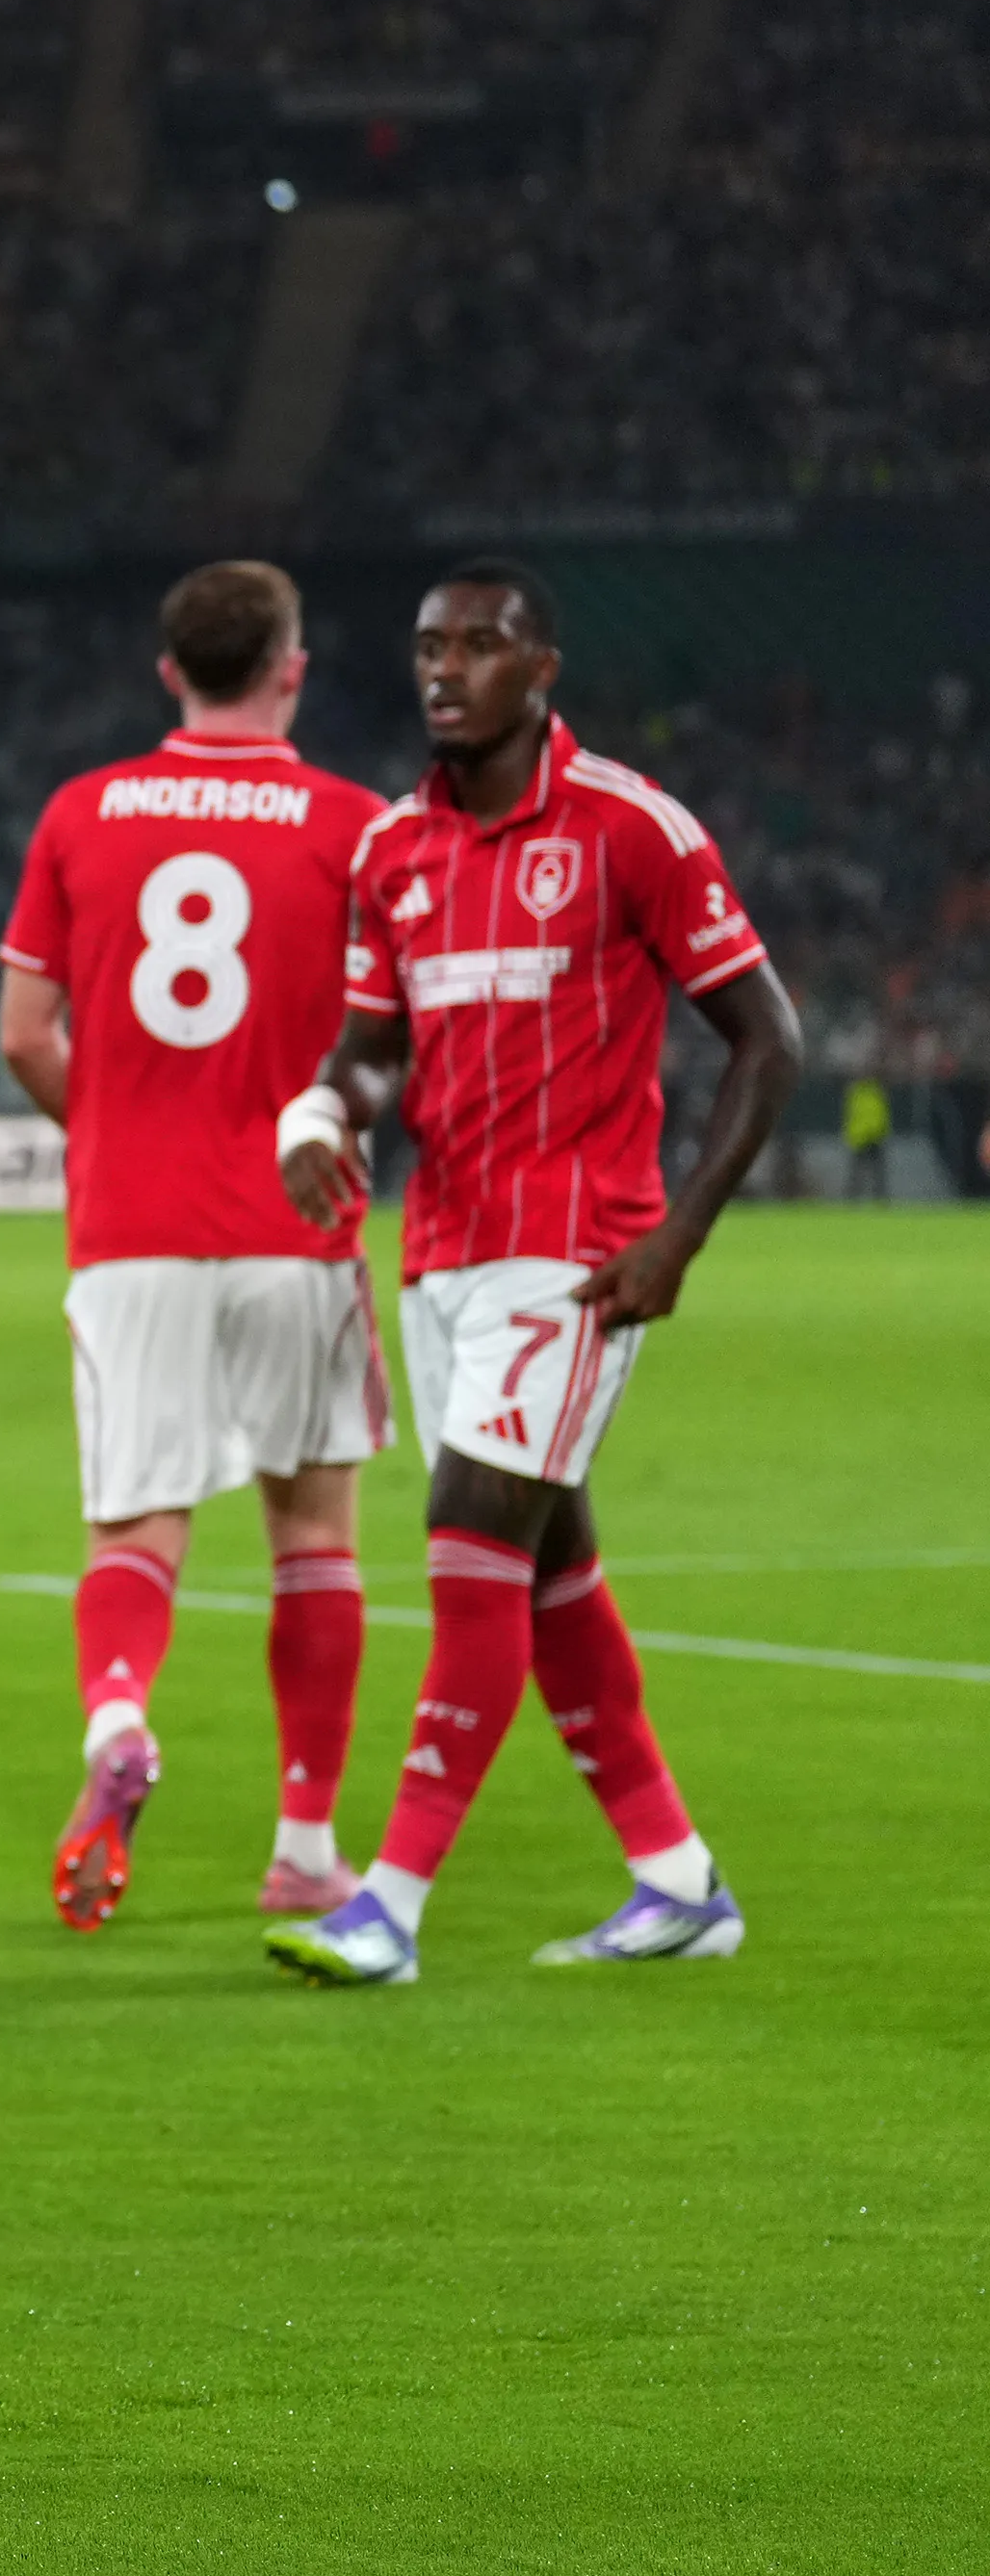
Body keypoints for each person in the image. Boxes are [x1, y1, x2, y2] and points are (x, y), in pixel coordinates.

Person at [267, 559, 795, 1985]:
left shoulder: (631, 828)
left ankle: (388, 1904)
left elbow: (768, 1038)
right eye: (429, 647)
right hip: (440, 1255)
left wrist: (679, 1235)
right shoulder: (392, 852)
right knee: (550, 1569)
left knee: (468, 1536)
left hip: (579, 1258)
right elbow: (372, 1048)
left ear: (541, 669)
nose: (446, 669)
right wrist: (320, 1114)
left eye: (480, 645)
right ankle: (677, 1878)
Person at [0, 561, 391, 1930]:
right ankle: (306, 1844)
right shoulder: (353, 826)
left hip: (131, 1229)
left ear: (169, 671)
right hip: (298, 1219)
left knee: (137, 1522)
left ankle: (118, 1717)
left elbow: (23, 1035)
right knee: (313, 1531)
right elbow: (389, 1038)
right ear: (292, 668)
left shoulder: (81, 812)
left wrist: (111, 1132)